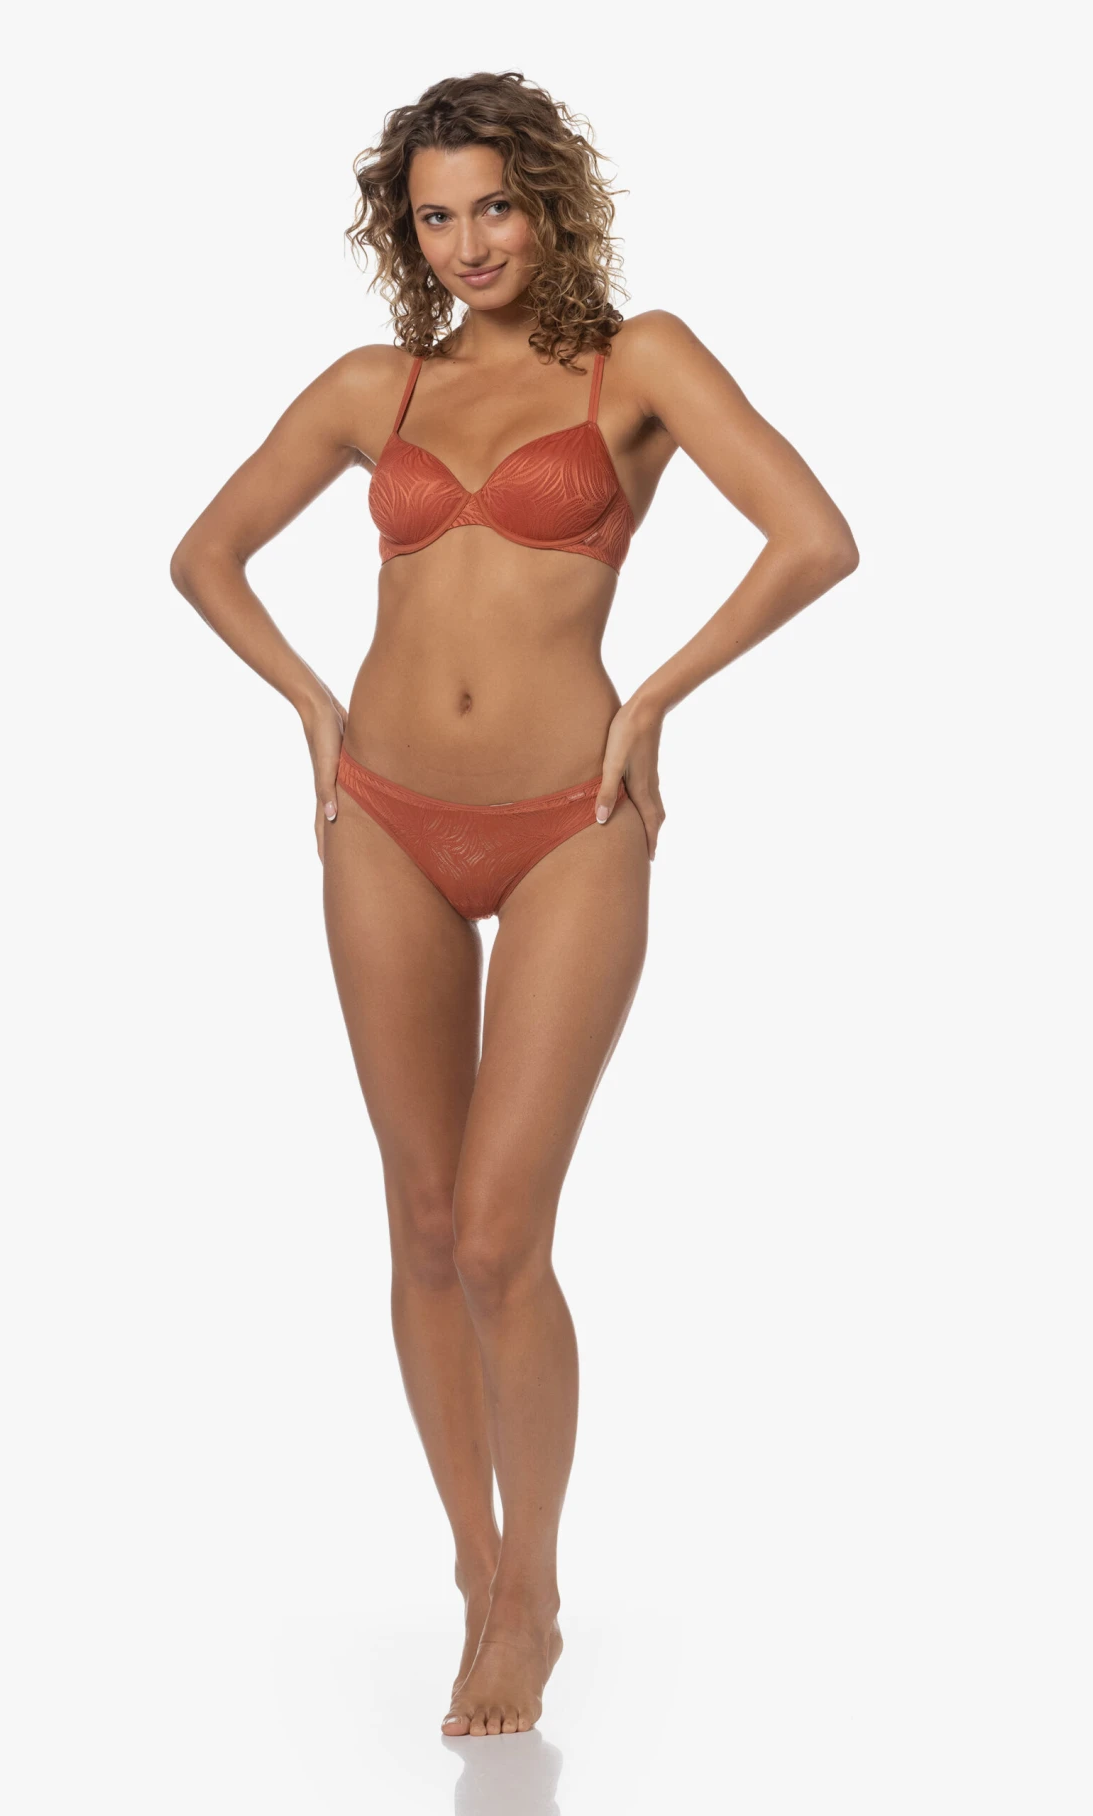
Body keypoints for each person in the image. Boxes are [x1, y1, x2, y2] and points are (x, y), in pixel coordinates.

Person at [169, 69, 858, 1739]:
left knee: (497, 1233)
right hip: (384, 820)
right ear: (402, 232)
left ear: (549, 200)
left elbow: (815, 537)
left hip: (570, 823)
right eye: (434, 217)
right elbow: (204, 556)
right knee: (419, 1223)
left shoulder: (641, 363)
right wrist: (313, 706)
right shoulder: (378, 385)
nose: (468, 242)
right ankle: (474, 1569)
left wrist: (656, 697)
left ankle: (535, 1589)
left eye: (493, 204)